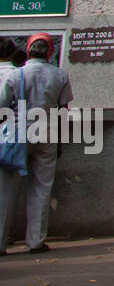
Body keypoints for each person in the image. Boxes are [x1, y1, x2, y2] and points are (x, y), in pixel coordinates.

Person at [0, 33, 73, 255]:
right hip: (47, 132)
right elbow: (63, 110)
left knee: (6, 189)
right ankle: (35, 241)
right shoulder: (61, 75)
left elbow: (2, 106)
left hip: (18, 133)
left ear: (29, 50)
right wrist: (60, 140)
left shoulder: (16, 74)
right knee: (41, 187)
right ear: (50, 52)